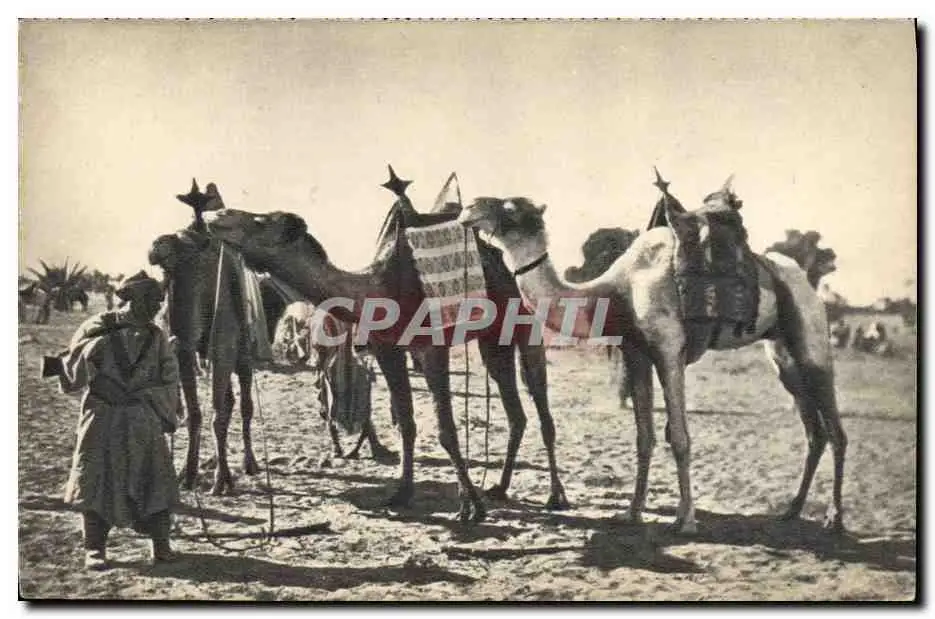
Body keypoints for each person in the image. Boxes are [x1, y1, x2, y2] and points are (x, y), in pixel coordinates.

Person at [43, 270, 180, 570]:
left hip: (142, 417)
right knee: (96, 480)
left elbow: (170, 377)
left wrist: (160, 405)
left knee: (154, 480)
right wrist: (93, 363)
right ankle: (95, 549)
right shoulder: (96, 327)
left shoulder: (157, 336)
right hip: (102, 416)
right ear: (134, 299)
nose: (157, 307)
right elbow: (71, 371)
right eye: (152, 300)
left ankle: (161, 545)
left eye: (159, 301)